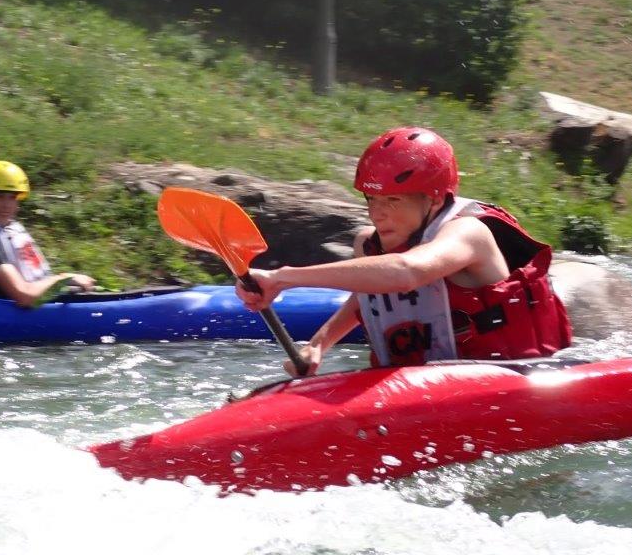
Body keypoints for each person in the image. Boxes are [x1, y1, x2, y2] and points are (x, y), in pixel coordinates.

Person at [235, 127, 572, 375]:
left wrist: (283, 278)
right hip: (423, 385)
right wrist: (318, 344)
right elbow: (368, 296)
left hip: (516, 377)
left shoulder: (468, 234)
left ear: (434, 199)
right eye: (372, 200)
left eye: (393, 200)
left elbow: (406, 273)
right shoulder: (369, 245)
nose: (377, 214)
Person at [0, 160, 94, 306]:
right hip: (4, 312)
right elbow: (24, 295)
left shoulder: (10, 229)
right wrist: (64, 279)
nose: (7, 205)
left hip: (36, 305)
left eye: (12, 197)